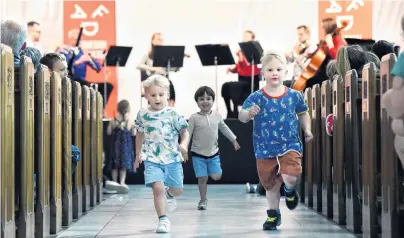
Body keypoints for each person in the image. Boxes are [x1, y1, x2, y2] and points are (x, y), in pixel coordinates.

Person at [239, 51, 313, 230]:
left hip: (290, 144)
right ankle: (273, 215)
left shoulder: (294, 95)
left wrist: (307, 129)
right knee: (270, 184)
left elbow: (303, 113)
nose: (274, 72)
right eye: (270, 69)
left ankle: (289, 189)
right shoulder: (257, 96)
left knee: (290, 175)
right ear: (262, 73)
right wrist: (248, 113)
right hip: (264, 146)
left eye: (279, 69)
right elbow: (242, 116)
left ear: (285, 73)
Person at [134, 74, 189, 233]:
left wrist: (183, 144)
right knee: (157, 188)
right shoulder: (142, 114)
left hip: (172, 157)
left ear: (167, 95)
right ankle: (163, 220)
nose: (157, 98)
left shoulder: (173, 114)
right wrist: (138, 153)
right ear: (146, 96)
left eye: (161, 94)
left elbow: (184, 132)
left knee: (177, 189)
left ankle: (170, 195)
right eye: (153, 95)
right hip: (151, 157)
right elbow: (140, 133)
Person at [188, 86, 240, 210]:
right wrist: (184, 148)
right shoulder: (193, 118)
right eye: (201, 99)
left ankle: (212, 172)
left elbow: (224, 128)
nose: (205, 101)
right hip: (197, 154)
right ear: (197, 102)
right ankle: (203, 200)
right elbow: (188, 134)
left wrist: (234, 140)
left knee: (216, 176)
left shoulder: (217, 115)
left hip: (213, 153)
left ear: (213, 100)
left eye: (208, 98)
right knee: (202, 178)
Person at [222, 30, 260, 118]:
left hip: (250, 81)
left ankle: (236, 112)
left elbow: (246, 64)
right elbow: (239, 67)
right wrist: (231, 70)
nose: (244, 39)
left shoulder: (252, 52)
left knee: (235, 88)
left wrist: (240, 54)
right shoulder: (241, 52)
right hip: (242, 80)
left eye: (247, 37)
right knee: (226, 86)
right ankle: (230, 112)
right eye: (244, 37)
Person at [106, 99, 135, 194]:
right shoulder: (129, 121)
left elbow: (108, 132)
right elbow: (134, 133)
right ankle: (122, 183)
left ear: (118, 108)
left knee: (114, 164)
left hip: (115, 146)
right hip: (125, 146)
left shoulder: (113, 120)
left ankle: (114, 183)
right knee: (123, 165)